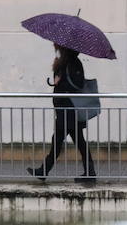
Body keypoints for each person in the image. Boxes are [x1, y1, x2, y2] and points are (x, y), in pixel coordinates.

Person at [28, 44, 96, 182]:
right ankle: (90, 173)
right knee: (78, 142)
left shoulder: (73, 63)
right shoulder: (64, 62)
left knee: (58, 141)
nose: (55, 48)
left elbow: (77, 84)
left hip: (70, 110)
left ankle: (44, 170)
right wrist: (57, 79)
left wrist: (60, 82)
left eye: (58, 46)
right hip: (65, 110)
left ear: (65, 48)